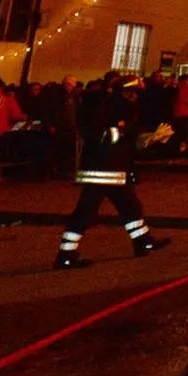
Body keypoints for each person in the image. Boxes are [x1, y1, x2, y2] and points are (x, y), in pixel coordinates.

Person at [53, 73, 173, 269]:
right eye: (133, 92)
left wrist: (149, 139)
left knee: (131, 207)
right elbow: (101, 136)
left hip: (115, 169)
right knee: (85, 212)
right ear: (124, 92)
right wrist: (129, 135)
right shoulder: (106, 108)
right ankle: (65, 254)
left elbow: (127, 141)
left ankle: (143, 241)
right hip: (101, 170)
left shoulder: (124, 108)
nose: (136, 97)